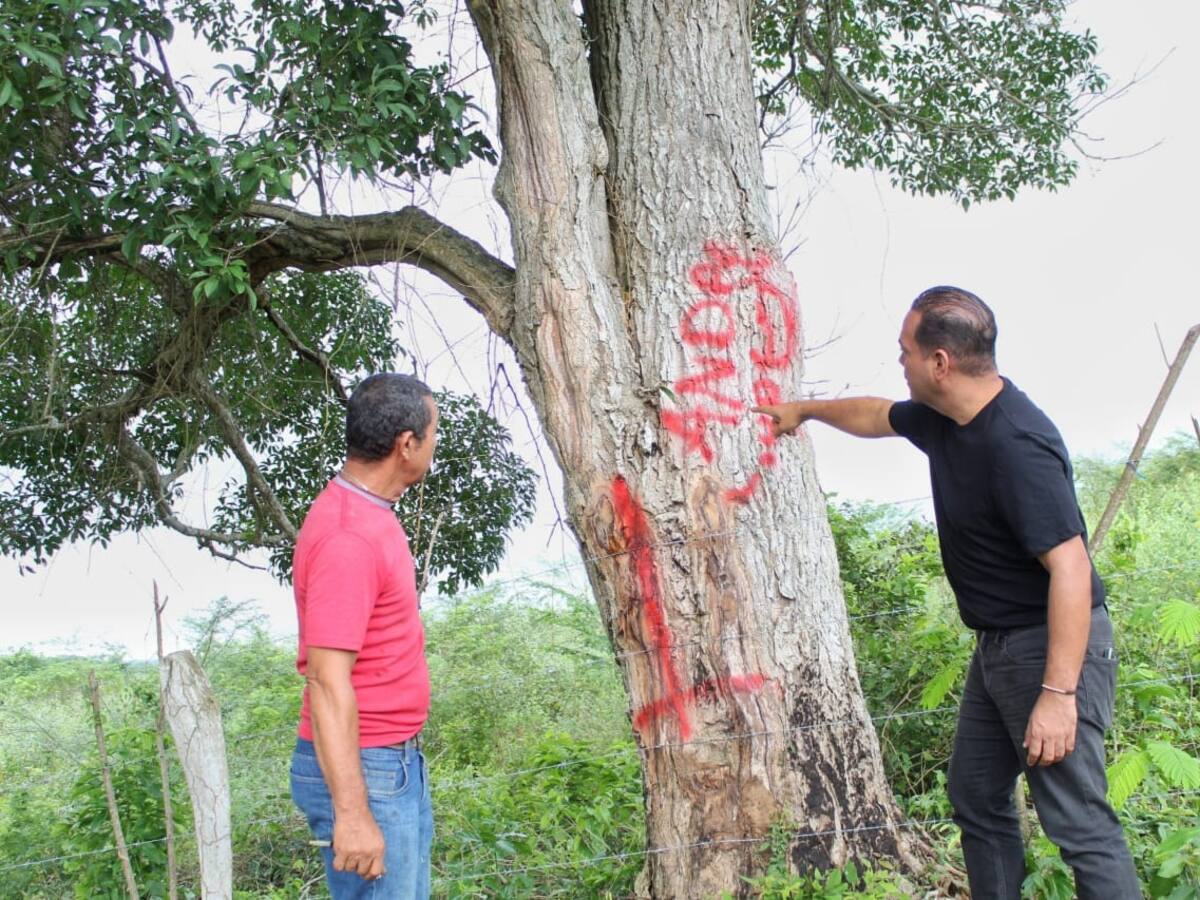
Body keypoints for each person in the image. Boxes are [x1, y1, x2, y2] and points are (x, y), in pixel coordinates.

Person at [755, 287, 1140, 900]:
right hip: (998, 650)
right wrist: (803, 409)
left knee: (1078, 824)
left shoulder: (1015, 444)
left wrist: (1059, 694)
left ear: (939, 362)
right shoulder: (948, 419)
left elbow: (1071, 569)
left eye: (905, 351)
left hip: (1050, 650)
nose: (900, 363)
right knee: (977, 794)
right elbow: (877, 415)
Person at [290, 373, 438, 899]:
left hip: (389, 762)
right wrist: (352, 814)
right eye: (433, 433)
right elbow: (327, 682)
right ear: (406, 444)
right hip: (365, 767)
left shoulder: (370, 515)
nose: (434, 445)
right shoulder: (348, 536)